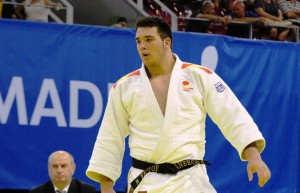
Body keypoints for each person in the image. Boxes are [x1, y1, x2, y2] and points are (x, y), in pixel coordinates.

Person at [86, 16, 271, 193]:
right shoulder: (125, 87)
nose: (142, 46)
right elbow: (110, 136)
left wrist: (254, 156)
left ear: (167, 42)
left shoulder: (199, 77)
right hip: (147, 182)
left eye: (149, 39)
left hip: (191, 181)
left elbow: (232, 115)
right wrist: (106, 187)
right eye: (138, 41)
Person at [30, 150, 96, 193]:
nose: (59, 171)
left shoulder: (87, 191)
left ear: (73, 168)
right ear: (49, 169)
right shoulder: (37, 192)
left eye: (63, 166)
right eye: (55, 166)